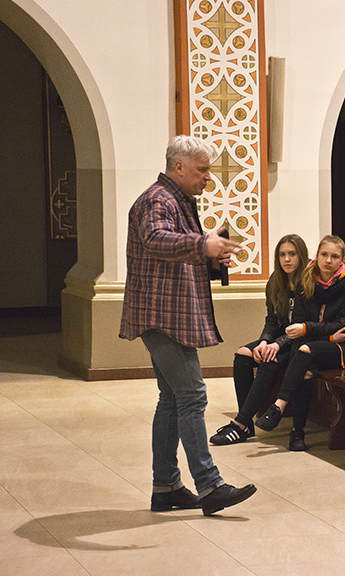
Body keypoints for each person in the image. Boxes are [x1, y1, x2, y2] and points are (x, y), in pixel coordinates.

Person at [120, 135, 256, 516]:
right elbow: (156, 240)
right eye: (202, 169)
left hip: (168, 313)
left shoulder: (176, 200)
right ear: (178, 167)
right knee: (193, 394)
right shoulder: (157, 200)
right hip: (161, 316)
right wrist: (203, 246)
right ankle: (210, 486)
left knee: (173, 398)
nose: (208, 178)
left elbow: (173, 250)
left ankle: (166, 488)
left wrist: (211, 258)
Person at [255, 235, 345, 449]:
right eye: (324, 255)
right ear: (317, 256)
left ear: (342, 260)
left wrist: (310, 331)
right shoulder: (307, 280)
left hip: (339, 348)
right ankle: (297, 434)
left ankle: (278, 406)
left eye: (334, 256)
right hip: (315, 343)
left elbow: (341, 324)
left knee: (304, 349)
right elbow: (301, 320)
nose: (328, 260)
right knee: (306, 369)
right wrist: (320, 333)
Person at [209, 234, 310, 447]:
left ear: (301, 256)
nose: (287, 259)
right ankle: (246, 425)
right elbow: (272, 320)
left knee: (269, 360)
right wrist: (264, 340)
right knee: (243, 354)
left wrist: (277, 344)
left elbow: (303, 324)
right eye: (282, 255)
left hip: (300, 341)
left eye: (292, 254)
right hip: (279, 340)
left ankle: (239, 424)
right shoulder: (276, 281)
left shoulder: (308, 283)